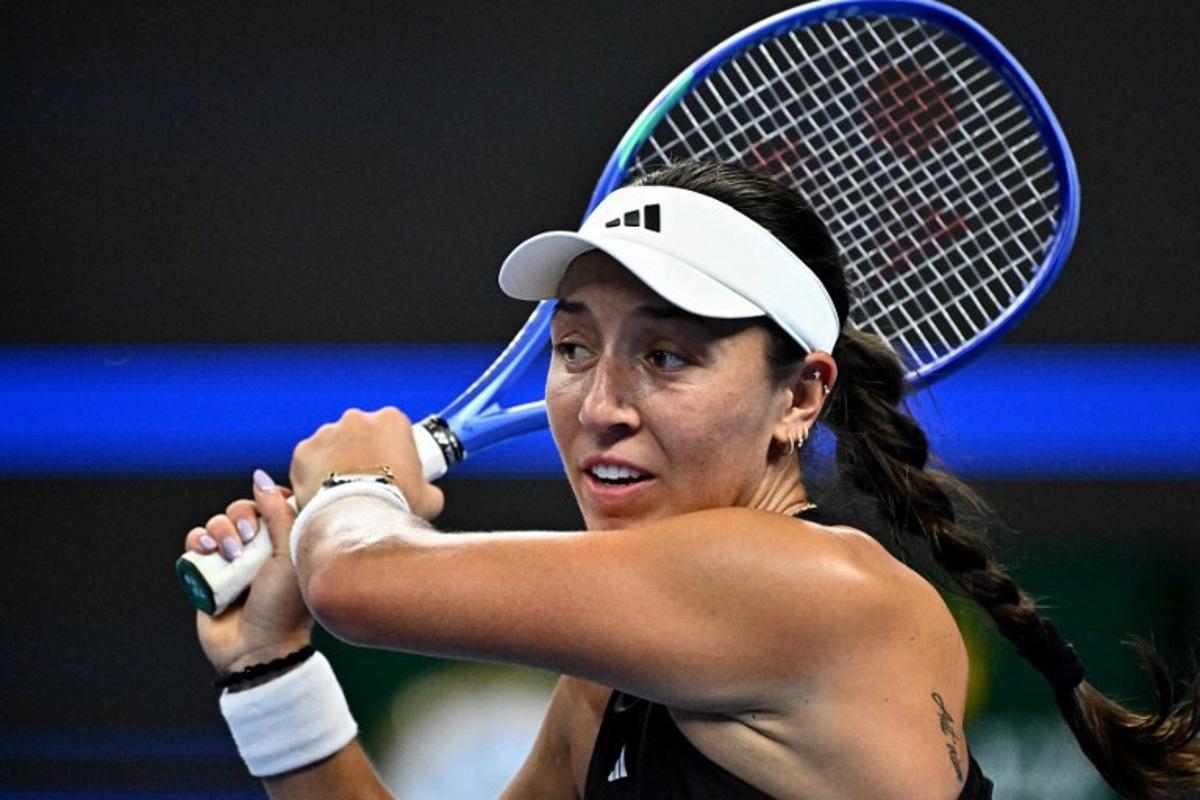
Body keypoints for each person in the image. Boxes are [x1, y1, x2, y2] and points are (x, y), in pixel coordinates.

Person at [185, 161, 1199, 799]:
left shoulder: (817, 592)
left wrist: (354, 487)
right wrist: (273, 673)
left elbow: (357, 579)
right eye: (574, 347)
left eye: (666, 356)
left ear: (800, 396)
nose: (601, 403)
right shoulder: (613, 673)